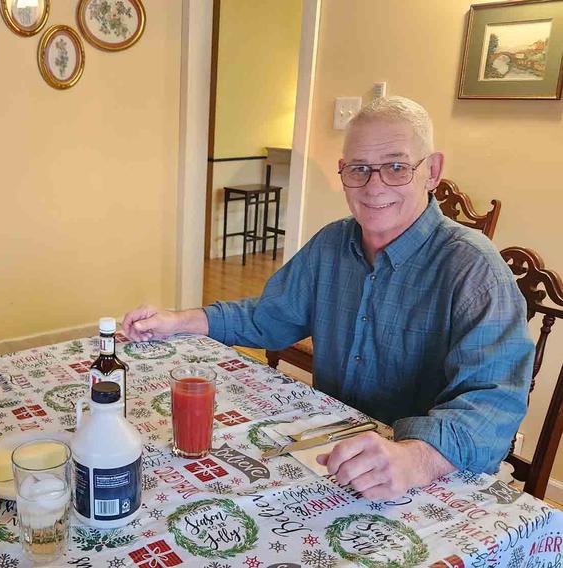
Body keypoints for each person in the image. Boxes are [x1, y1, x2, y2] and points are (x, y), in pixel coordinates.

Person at [122, 97, 533, 499]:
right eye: (359, 169)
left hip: (427, 481)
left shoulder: (475, 269)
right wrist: (180, 321)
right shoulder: (332, 243)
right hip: (332, 459)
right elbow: (270, 317)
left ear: (432, 171)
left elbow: (494, 403)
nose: (374, 186)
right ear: (343, 173)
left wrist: (416, 459)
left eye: (395, 167)